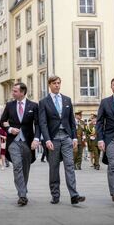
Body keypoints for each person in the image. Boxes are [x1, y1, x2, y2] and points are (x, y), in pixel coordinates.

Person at [32, 75, 85, 205]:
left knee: (69, 166)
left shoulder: (67, 100)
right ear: (49, 85)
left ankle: (74, 195)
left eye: (59, 83)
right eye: (54, 83)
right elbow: (43, 123)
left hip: (66, 137)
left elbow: (72, 121)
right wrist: (47, 139)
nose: (57, 85)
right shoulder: (44, 102)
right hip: (53, 139)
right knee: (54, 167)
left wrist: (74, 137)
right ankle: (55, 195)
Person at [0, 82, 39, 206]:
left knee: (25, 168)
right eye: (13, 91)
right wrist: (10, 129)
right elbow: (2, 122)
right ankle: (22, 195)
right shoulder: (9, 105)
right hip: (13, 142)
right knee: (17, 166)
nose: (13, 93)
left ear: (22, 92)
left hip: (28, 142)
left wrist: (36, 139)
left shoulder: (33, 106)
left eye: (15, 91)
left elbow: (38, 124)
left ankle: (23, 189)